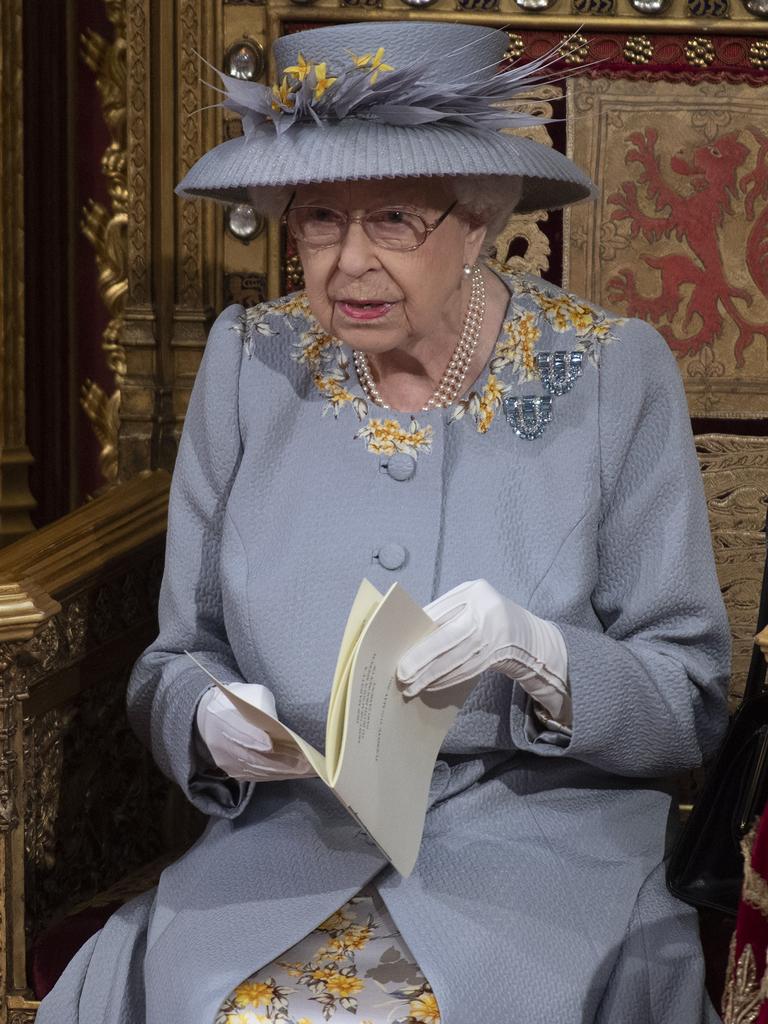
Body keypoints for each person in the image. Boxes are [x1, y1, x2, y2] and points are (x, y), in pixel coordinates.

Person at [36, 20, 732, 1024]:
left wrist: (541, 655)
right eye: (319, 218)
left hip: (541, 857)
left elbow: (692, 700)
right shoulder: (251, 363)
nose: (348, 262)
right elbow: (171, 662)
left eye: (394, 218)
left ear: (479, 218)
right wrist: (208, 720)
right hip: (283, 845)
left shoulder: (610, 372)